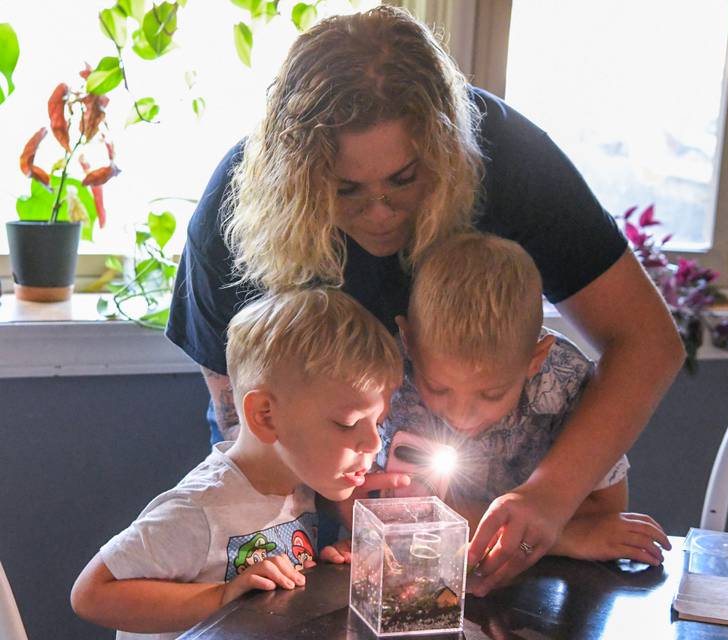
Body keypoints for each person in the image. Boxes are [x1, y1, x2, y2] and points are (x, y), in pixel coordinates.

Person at [166, 6, 684, 592]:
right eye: (346, 190)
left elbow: (647, 341)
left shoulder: (510, 161)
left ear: (444, 151)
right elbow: (244, 425)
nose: (379, 212)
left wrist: (549, 499)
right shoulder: (238, 213)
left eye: (404, 179)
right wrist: (338, 496)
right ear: (301, 177)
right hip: (298, 501)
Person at [71, 288, 403, 639]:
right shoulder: (201, 509)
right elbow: (91, 594)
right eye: (348, 424)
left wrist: (325, 567)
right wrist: (224, 597)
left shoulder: (298, 483)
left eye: (378, 422)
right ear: (266, 416)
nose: (373, 442)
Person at [372, 233, 671, 596]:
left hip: (542, 590)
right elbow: (397, 514)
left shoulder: (565, 384)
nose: (462, 415)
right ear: (409, 343)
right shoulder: (395, 381)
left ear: (536, 360)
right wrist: (563, 537)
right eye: (438, 388)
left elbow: (605, 509)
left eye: (491, 394)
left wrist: (519, 521)